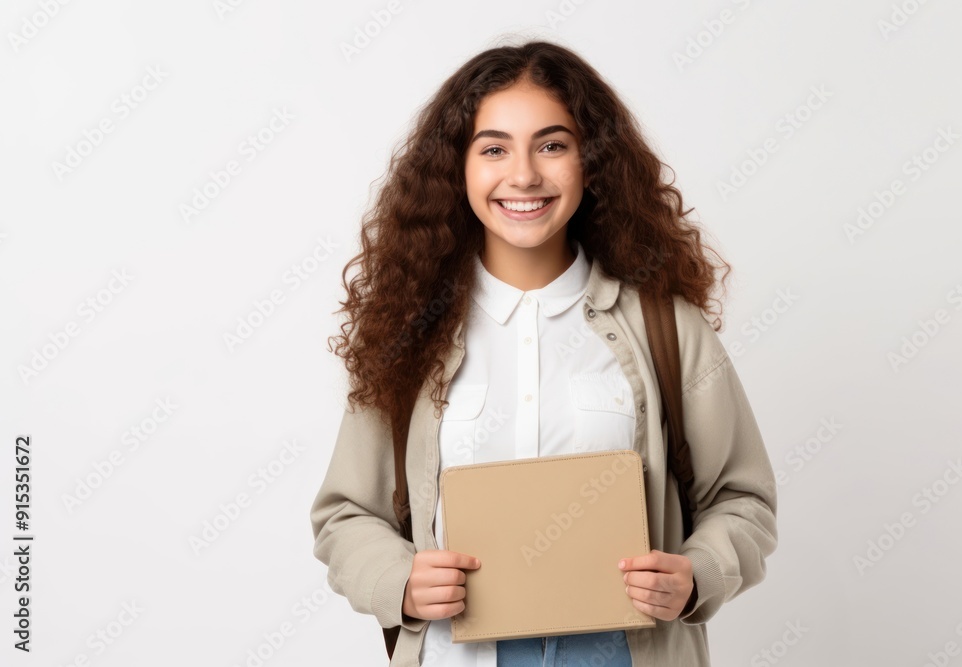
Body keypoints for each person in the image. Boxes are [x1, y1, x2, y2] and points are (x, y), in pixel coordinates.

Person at [310, 38, 778, 667]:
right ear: (457, 168)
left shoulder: (668, 327)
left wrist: (698, 574)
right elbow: (346, 514)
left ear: (592, 161)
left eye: (552, 145)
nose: (524, 175)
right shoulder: (411, 332)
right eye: (494, 149)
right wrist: (399, 583)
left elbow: (743, 499)